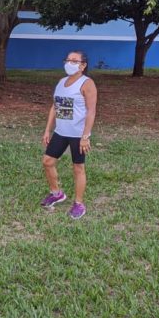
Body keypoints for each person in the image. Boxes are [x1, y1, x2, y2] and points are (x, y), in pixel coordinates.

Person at [40, 51, 98, 219]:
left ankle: (79, 203)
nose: (69, 63)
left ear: (83, 65)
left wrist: (85, 136)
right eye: (68, 60)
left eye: (74, 60)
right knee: (47, 162)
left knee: (78, 168)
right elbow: (54, 106)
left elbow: (91, 111)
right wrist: (47, 130)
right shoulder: (61, 82)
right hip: (61, 132)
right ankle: (56, 193)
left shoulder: (87, 83)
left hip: (77, 135)